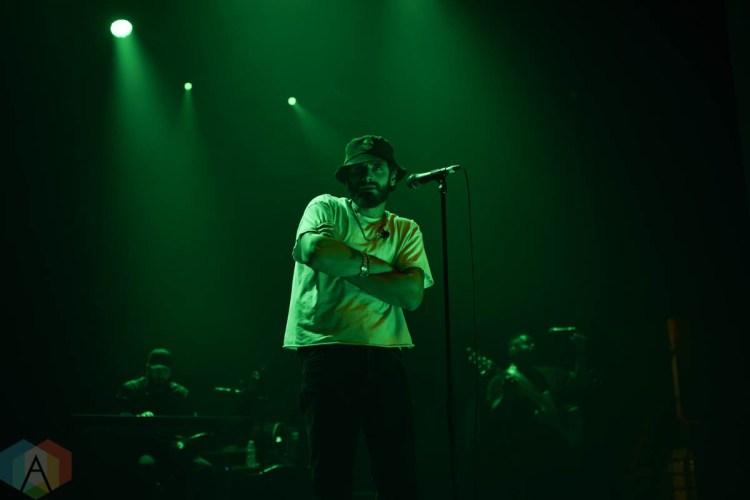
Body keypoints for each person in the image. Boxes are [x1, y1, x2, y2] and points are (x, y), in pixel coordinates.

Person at [284, 135, 434, 500]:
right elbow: (316, 252)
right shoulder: (325, 207)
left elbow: (411, 295)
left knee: (398, 474)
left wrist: (346, 263)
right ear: (347, 177)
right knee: (331, 474)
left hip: (386, 355)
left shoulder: (406, 229)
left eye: (377, 168)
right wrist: (381, 268)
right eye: (359, 169)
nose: (367, 175)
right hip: (327, 351)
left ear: (393, 176)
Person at [481, 329, 591, 500]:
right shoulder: (499, 380)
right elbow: (496, 415)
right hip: (530, 459)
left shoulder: (548, 373)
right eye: (527, 343)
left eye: (533, 342)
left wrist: (581, 353)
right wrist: (507, 396)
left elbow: (579, 383)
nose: (533, 345)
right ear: (512, 350)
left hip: (562, 451)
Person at [115, 348, 210, 499]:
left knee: (204, 468)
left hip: (175, 448)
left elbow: (191, 424)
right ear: (148, 369)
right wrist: (138, 418)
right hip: (144, 447)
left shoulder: (180, 393)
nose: (161, 375)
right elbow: (120, 420)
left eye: (165, 371)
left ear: (171, 371)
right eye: (157, 370)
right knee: (146, 467)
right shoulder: (131, 389)